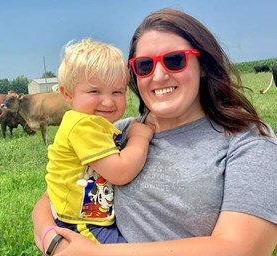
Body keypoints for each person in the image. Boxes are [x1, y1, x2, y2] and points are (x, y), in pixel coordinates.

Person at [32, 8, 277, 256]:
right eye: (145, 65)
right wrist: (52, 242)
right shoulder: (120, 131)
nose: (158, 76)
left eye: (174, 60)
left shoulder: (249, 140)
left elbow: (243, 249)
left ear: (202, 65)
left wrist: (95, 254)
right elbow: (52, 195)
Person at [38, 38, 154, 253]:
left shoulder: (94, 124)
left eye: (117, 92)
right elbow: (121, 172)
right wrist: (139, 138)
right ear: (67, 94)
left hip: (85, 215)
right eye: (94, 92)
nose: (108, 102)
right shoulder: (83, 125)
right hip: (81, 222)